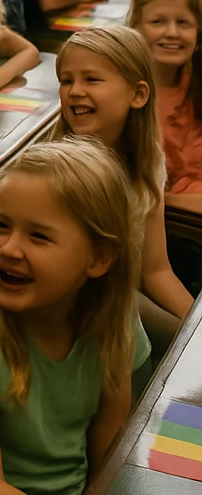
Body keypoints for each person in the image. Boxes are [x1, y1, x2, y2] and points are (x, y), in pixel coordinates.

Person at [0, 138, 146, 495]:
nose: (9, 249)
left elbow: (109, 438)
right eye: (1, 225)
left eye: (38, 236)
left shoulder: (113, 312)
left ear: (99, 257)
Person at [52, 26, 194, 347]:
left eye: (92, 79)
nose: (74, 91)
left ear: (138, 95)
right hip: (79, 308)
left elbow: (156, 271)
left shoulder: (147, 162)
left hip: (124, 303)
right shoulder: (58, 171)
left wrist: (195, 325)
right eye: (66, 80)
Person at [128, 0, 202, 201]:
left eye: (183, 23)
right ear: (136, 28)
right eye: (157, 22)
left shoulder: (196, 81)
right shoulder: (125, 94)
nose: (171, 32)